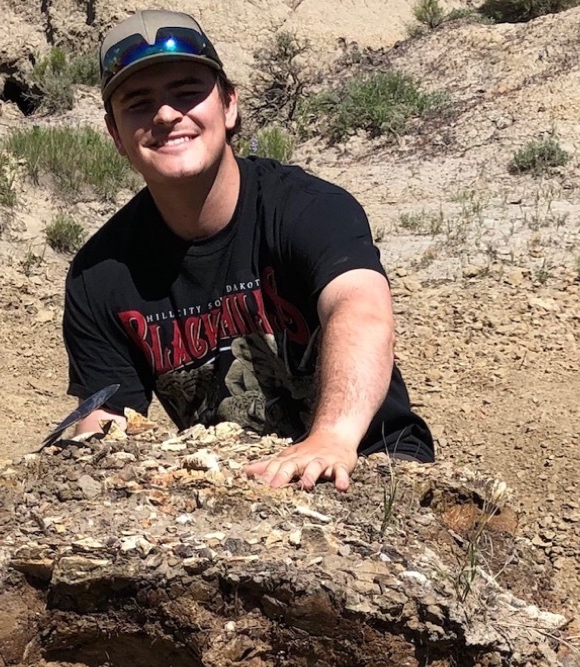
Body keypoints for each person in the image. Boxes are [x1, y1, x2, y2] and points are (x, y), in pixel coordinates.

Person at [51, 9, 434, 491]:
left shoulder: (307, 209)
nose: (167, 115)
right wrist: (32, 476)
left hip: (364, 461)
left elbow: (360, 309)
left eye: (188, 92)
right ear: (116, 136)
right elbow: (107, 418)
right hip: (235, 487)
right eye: (138, 103)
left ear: (229, 105)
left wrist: (331, 436)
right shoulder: (99, 274)